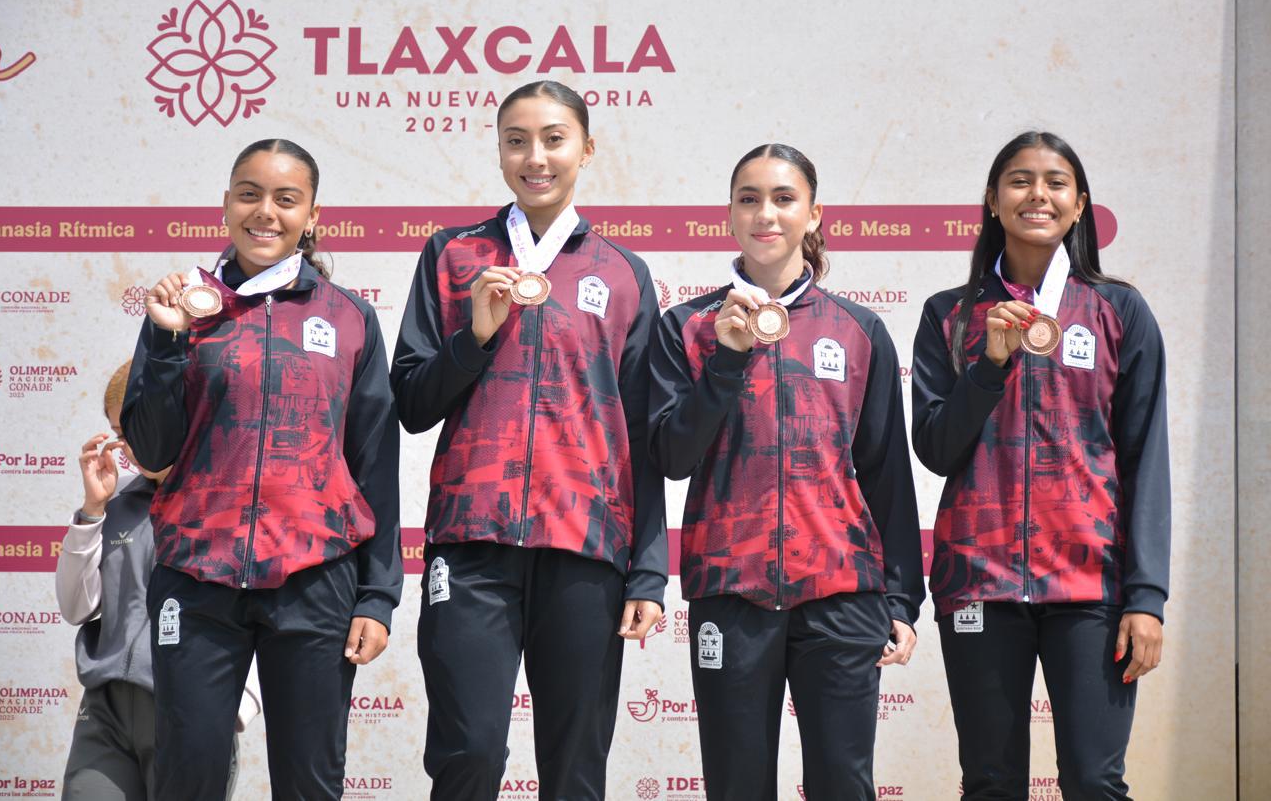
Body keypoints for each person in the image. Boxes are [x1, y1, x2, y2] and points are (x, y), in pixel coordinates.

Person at [390, 80, 667, 801]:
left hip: (586, 548)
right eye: (517, 139)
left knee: (575, 768)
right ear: (499, 149)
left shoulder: (625, 275)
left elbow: (639, 436)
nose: (534, 156)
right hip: (471, 543)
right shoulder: (453, 255)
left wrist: (647, 569)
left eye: (553, 138)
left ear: (586, 148)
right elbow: (413, 401)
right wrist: (473, 337)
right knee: (469, 752)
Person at [121, 138, 401, 800]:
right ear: (225, 204)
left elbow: (375, 464)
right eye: (249, 194)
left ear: (311, 215)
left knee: (309, 782)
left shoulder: (348, 316)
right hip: (195, 577)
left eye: (285, 198)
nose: (264, 212)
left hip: (316, 578)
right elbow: (153, 451)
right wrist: (163, 338)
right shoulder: (184, 308)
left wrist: (378, 594)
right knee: (188, 776)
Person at [648, 143, 925, 801]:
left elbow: (886, 473)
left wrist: (901, 598)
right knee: (737, 787)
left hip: (842, 595)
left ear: (813, 213)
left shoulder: (858, 330)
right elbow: (671, 456)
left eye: (783, 198)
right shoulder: (686, 327)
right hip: (730, 593)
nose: (765, 213)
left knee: (843, 785)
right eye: (749, 198)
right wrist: (726, 359)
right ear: (730, 214)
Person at [910, 131, 1169, 800]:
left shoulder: (1118, 310)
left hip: (1091, 585)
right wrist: (989, 366)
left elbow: (1144, 460)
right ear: (994, 202)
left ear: (1079, 204)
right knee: (992, 782)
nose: (1038, 194)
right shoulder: (950, 315)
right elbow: (936, 448)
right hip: (980, 583)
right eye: (1019, 180)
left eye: (1055, 182)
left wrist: (1146, 598)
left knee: (1094, 779)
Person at [56, 360, 261, 800]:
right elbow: (76, 607)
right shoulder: (117, 503)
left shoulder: (240, 504)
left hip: (194, 710)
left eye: (137, 428)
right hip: (106, 712)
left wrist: (237, 705)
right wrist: (92, 512)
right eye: (120, 432)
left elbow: (269, 613)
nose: (129, 447)